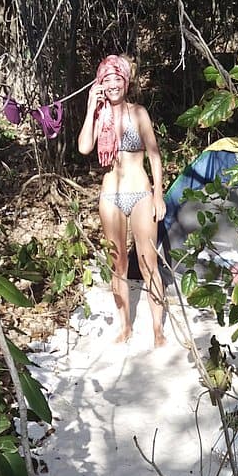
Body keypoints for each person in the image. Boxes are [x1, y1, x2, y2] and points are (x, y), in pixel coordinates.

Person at [78, 54, 166, 347]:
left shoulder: (139, 112)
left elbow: (154, 154)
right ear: (100, 83)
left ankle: (157, 328)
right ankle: (125, 325)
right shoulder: (100, 115)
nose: (113, 84)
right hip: (111, 195)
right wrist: (91, 106)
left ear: (126, 82)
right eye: (107, 79)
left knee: (148, 261)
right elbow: (84, 147)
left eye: (118, 78)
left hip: (140, 191)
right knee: (117, 263)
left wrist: (158, 195)